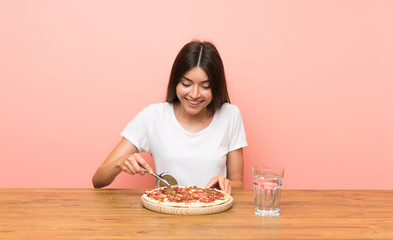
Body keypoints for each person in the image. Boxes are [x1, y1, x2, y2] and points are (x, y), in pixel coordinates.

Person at [92, 40, 247, 194]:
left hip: (214, 213)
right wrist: (120, 163)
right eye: (186, 84)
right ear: (175, 82)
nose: (194, 94)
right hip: (166, 212)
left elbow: (237, 183)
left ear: (217, 86)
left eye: (205, 87)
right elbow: (98, 180)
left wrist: (225, 185)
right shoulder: (153, 117)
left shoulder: (230, 115)